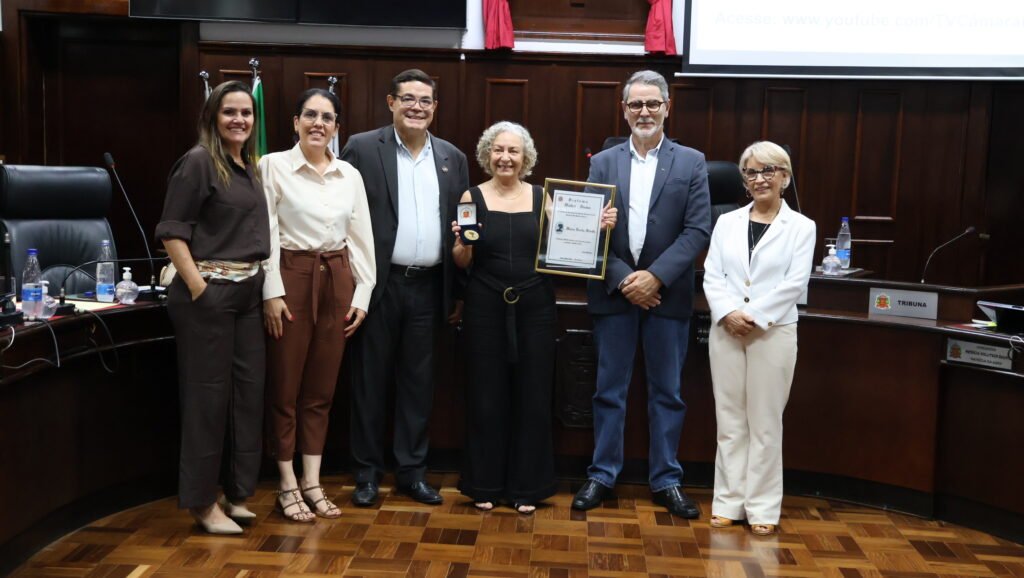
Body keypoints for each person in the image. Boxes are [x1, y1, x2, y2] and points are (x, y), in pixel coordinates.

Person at [451, 122, 616, 514]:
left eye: (514, 151)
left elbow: (567, 248)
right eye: (498, 150)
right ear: (487, 154)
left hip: (536, 307)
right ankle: (484, 484)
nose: (505, 157)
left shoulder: (543, 196)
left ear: (526, 158)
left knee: (533, 395)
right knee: (486, 396)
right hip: (484, 305)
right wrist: (460, 244)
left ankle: (528, 487)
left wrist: (597, 230)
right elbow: (464, 261)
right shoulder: (470, 196)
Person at [571, 70, 711, 518]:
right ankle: (602, 475)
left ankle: (666, 479)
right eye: (636, 105)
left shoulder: (691, 161)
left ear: (668, 107)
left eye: (653, 104)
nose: (645, 112)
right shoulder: (603, 162)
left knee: (667, 392)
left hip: (666, 298)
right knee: (609, 390)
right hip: (614, 295)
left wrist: (655, 278)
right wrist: (624, 280)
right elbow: (589, 229)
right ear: (624, 110)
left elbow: (697, 230)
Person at [340, 69, 469, 507]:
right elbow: (342, 217)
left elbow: (461, 230)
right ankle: (367, 473)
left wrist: (457, 293)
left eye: (426, 101)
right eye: (408, 99)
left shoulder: (453, 157)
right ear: (391, 103)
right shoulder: (361, 148)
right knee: (369, 382)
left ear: (435, 108)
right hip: (379, 285)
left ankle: (412, 473)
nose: (417, 107)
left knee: (418, 384)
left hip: (430, 288)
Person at [155, 80, 270, 534]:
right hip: (210, 296)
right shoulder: (199, 161)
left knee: (247, 394)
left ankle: (237, 493)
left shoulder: (248, 165)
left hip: (247, 295)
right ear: (212, 118)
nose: (239, 119)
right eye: (229, 112)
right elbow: (171, 231)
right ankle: (203, 503)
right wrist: (199, 287)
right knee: (207, 399)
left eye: (246, 112)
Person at [259, 88, 376, 522]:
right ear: (295, 122)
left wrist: (361, 294)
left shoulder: (350, 175)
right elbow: (266, 233)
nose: (318, 124)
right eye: (310, 115)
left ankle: (312, 480)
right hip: (291, 277)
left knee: (321, 392)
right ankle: (286, 483)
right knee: (286, 389)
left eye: (327, 118)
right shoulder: (271, 166)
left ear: (336, 127)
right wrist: (271, 290)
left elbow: (361, 238)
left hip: (337, 281)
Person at [702, 141, 815, 536]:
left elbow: (794, 284)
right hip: (726, 330)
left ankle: (763, 506)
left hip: (773, 333)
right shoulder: (726, 222)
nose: (759, 178)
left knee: (765, 422)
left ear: (785, 176)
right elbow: (713, 276)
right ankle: (728, 502)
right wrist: (728, 313)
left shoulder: (802, 227)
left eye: (768, 170)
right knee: (730, 420)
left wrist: (752, 316)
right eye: (750, 172)